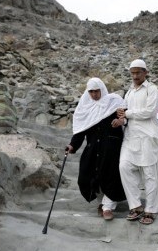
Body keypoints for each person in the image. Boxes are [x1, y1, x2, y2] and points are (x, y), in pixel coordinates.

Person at [65, 77, 127, 221]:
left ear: (102, 89)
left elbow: (126, 117)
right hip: (93, 149)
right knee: (87, 177)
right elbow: (80, 131)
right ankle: (102, 203)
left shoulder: (114, 101)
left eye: (97, 91)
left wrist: (121, 121)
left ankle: (107, 207)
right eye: (91, 91)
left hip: (112, 149)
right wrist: (72, 145)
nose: (94, 94)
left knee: (111, 176)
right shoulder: (84, 107)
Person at [117, 59, 158, 225]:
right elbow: (124, 113)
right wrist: (120, 118)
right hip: (130, 136)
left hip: (147, 136)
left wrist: (127, 113)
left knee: (150, 175)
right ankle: (135, 206)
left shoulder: (152, 90)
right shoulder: (129, 92)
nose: (135, 76)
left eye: (138, 72)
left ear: (145, 72)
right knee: (124, 166)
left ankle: (150, 210)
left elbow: (149, 112)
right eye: (133, 73)